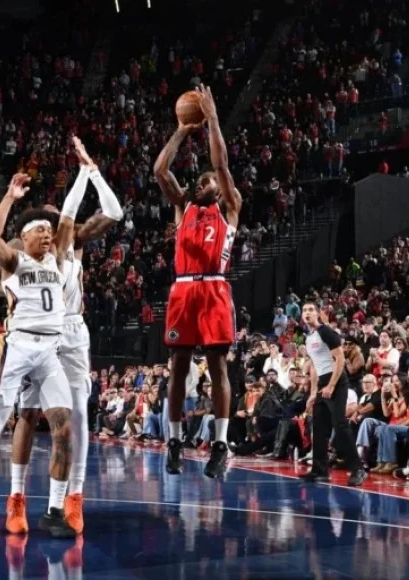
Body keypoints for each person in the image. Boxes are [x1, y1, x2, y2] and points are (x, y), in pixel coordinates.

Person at [0, 138, 122, 535]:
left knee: (76, 417)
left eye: (56, 221)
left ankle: (73, 497)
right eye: (46, 223)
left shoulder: (74, 242)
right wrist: (19, 294)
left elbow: (111, 211)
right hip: (36, 333)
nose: (53, 225)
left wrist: (89, 171)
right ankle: (17, 496)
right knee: (27, 414)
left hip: (71, 331)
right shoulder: (24, 250)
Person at [0, 166, 84, 540]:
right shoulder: (14, 261)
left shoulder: (57, 259)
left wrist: (85, 172)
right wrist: (9, 196)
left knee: (63, 427)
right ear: (23, 238)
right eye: (40, 229)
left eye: (49, 230)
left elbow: (70, 216)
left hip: (50, 351)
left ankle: (54, 511)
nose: (47, 233)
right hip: (18, 346)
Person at [154, 85, 242, 478]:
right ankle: (174, 440)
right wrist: (180, 130)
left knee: (218, 366)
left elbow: (220, 165)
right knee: (178, 366)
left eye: (208, 182)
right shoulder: (184, 206)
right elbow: (160, 171)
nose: (202, 184)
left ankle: (220, 445)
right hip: (184, 288)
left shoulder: (230, 206)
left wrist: (213, 120)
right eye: (200, 182)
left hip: (214, 288)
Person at [299, 303, 367, 486]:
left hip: (336, 381)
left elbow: (340, 359)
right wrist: (314, 392)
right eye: (304, 310)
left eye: (311, 310)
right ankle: (319, 470)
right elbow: (314, 367)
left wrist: (331, 385)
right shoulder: (309, 337)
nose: (307, 313)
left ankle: (358, 469)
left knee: (340, 424)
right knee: (319, 427)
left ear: (318, 314)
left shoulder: (326, 332)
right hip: (322, 382)